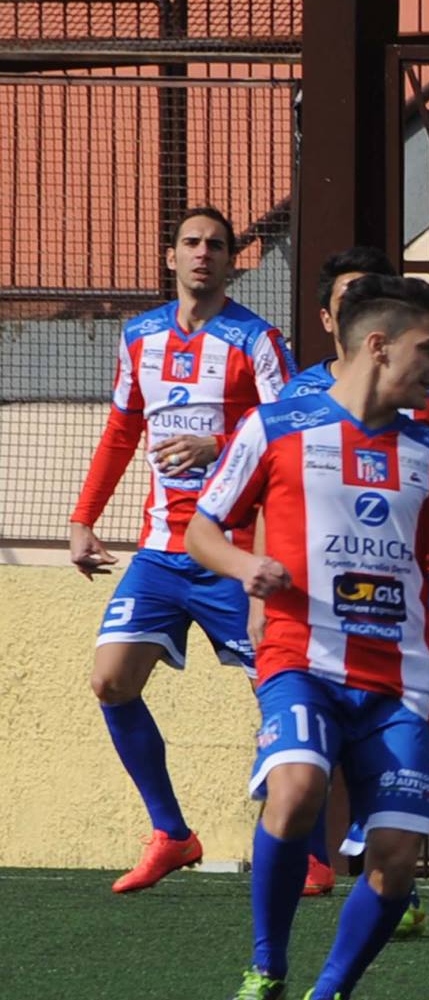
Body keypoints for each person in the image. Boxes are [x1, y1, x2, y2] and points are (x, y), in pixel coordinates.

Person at [190, 274, 429, 1000]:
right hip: (302, 657)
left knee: (395, 858)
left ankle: (330, 994)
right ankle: (266, 967)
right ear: (379, 345)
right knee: (296, 789)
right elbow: (203, 527)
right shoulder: (276, 426)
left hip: (401, 678)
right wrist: (244, 565)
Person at [68, 206, 294, 893]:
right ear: (171, 256)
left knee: (282, 696)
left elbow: (290, 431)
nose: (203, 253)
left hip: (233, 552)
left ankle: (305, 849)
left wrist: (217, 444)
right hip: (161, 553)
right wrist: (83, 519)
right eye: (191, 242)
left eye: (216, 245)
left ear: (231, 260)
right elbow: (121, 432)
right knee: (111, 680)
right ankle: (172, 833)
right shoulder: (139, 336)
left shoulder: (257, 340)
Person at [283, 246, 429, 913]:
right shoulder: (297, 398)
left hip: (412, 589)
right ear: (333, 319)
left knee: (395, 727)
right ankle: (317, 864)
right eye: (349, 296)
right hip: (322, 602)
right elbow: (270, 496)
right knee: (319, 731)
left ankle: (386, 866)